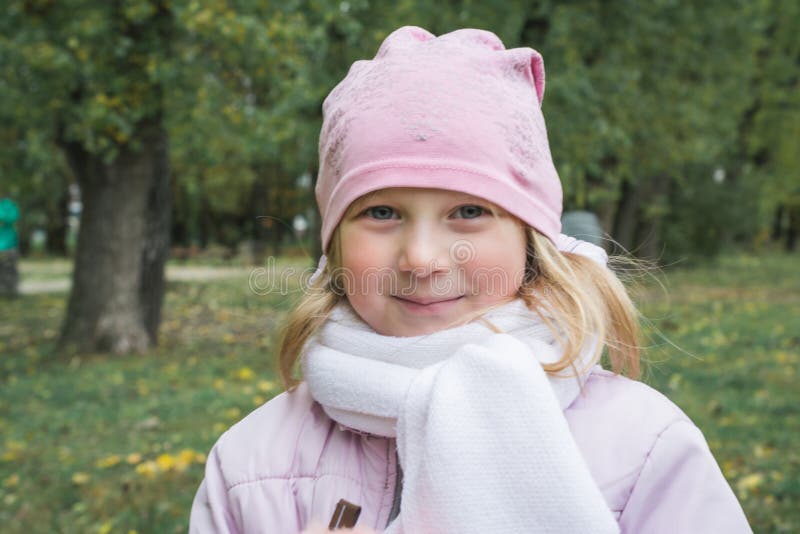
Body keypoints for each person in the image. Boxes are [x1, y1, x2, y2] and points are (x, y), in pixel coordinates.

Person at [190, 27, 751, 533]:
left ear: (530, 239)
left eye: (469, 212)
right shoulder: (252, 464)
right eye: (381, 213)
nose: (423, 258)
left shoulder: (645, 448)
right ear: (332, 243)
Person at [0, 194, 20, 298]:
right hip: (11, 244)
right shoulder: (13, 207)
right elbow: (14, 218)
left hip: (5, 244)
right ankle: (11, 290)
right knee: (11, 269)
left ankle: (4, 290)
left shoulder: (6, 207)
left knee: (4, 269)